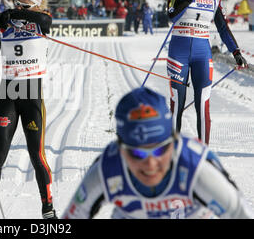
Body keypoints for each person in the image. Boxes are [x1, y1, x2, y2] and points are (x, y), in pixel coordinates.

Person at [61, 87, 254, 219]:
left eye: (161, 149)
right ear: (120, 149)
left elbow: (240, 213)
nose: (151, 164)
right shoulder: (108, 168)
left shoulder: (195, 166)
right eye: (137, 153)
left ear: (174, 141)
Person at [0, 0, 56, 219]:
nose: (18, 7)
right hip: (8, 92)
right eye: (16, 3)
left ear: (34, 4)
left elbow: (46, 23)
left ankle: (48, 208)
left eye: (24, 4)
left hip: (32, 91)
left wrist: (14, 15)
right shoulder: (6, 24)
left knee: (36, 155)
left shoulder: (41, 20)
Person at [166, 0, 248, 145]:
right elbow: (171, 15)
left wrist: (236, 52)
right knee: (177, 103)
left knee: (203, 103)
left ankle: (204, 151)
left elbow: (222, 27)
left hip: (202, 53)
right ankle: (172, 151)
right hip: (179, 51)